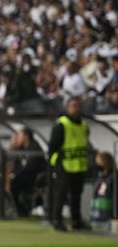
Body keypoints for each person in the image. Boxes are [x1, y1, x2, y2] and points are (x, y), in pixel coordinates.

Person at [48, 96, 91, 231]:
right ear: (67, 107)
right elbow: (53, 146)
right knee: (61, 193)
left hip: (79, 165)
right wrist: (54, 163)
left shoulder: (84, 125)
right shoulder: (62, 124)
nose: (77, 109)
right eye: (74, 106)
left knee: (76, 194)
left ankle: (76, 220)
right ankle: (57, 220)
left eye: (78, 106)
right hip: (64, 164)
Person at [90, 151, 116, 231]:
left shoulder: (113, 177)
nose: (96, 164)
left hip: (108, 218)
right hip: (95, 215)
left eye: (99, 161)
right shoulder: (100, 177)